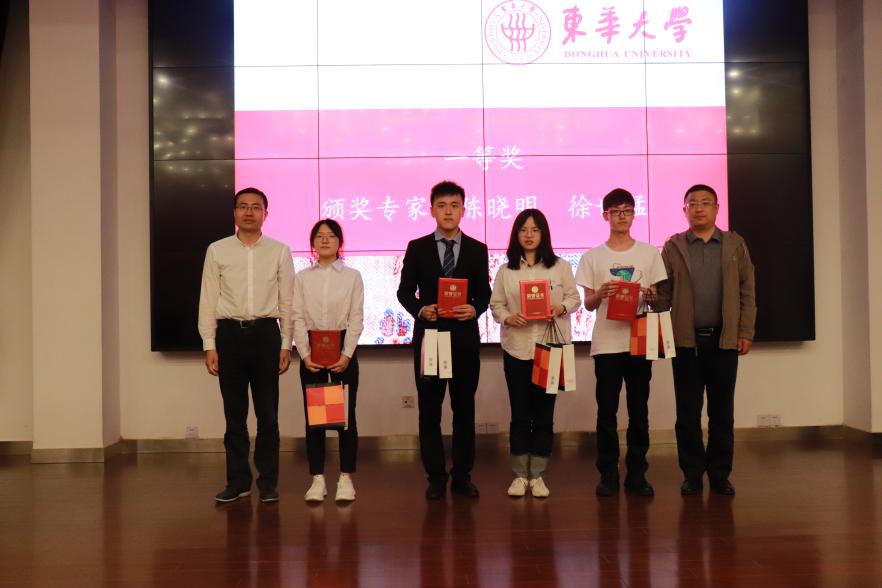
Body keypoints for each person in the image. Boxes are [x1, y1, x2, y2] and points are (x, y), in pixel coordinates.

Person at [655, 184, 756, 496]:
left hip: (724, 341)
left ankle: (720, 474)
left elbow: (747, 292)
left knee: (722, 413)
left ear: (716, 208)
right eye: (693, 203)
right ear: (684, 209)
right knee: (687, 414)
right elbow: (663, 295)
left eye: (705, 203)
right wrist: (644, 296)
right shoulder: (673, 246)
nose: (699, 208)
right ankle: (692, 474)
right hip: (686, 343)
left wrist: (745, 332)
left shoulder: (735, 245)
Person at [198, 187, 295, 503]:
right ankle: (238, 481)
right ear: (235, 212)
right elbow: (208, 299)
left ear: (266, 213)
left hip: (266, 335)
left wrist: (286, 343)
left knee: (268, 415)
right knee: (234, 415)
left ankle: (268, 483)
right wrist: (209, 344)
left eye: (256, 207)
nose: (249, 212)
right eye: (243, 206)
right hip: (229, 336)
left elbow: (288, 301)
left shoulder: (279, 251)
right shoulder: (217, 250)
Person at [397, 180, 491, 500]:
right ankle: (436, 476)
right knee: (430, 410)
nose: (448, 211)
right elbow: (404, 292)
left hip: (464, 339)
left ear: (463, 210)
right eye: (442, 205)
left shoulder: (477, 249)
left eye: (454, 206)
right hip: (431, 338)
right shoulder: (417, 247)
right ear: (431, 210)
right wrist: (421, 310)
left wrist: (475, 309)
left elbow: (484, 294)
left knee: (464, 410)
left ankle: (462, 476)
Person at [575, 188, 668, 497]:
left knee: (639, 410)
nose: (622, 216)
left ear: (634, 214)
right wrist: (601, 293)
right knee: (607, 412)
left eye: (627, 210)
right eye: (615, 211)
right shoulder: (593, 256)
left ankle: (637, 474)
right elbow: (588, 304)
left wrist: (650, 294)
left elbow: (658, 298)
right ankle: (608, 474)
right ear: (605, 215)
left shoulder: (649, 253)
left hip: (639, 340)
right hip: (607, 344)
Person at [490, 209, 580, 498]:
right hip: (516, 349)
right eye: (523, 230)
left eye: (535, 229)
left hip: (549, 350)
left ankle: (538, 475)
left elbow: (574, 298)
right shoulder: (506, 271)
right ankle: (519, 475)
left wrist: (560, 307)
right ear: (516, 234)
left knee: (543, 414)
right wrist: (508, 317)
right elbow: (496, 305)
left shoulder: (560, 267)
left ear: (544, 234)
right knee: (519, 414)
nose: (529, 235)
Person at [293, 219, 365, 503]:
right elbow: (297, 316)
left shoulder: (352, 276)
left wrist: (346, 354)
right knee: (315, 418)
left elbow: (356, 317)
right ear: (313, 243)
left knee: (345, 418)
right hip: (312, 351)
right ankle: (317, 479)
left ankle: (346, 478)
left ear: (339, 242)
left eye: (331, 235)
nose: (325, 240)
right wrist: (304, 354)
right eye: (319, 236)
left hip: (343, 349)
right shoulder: (302, 278)